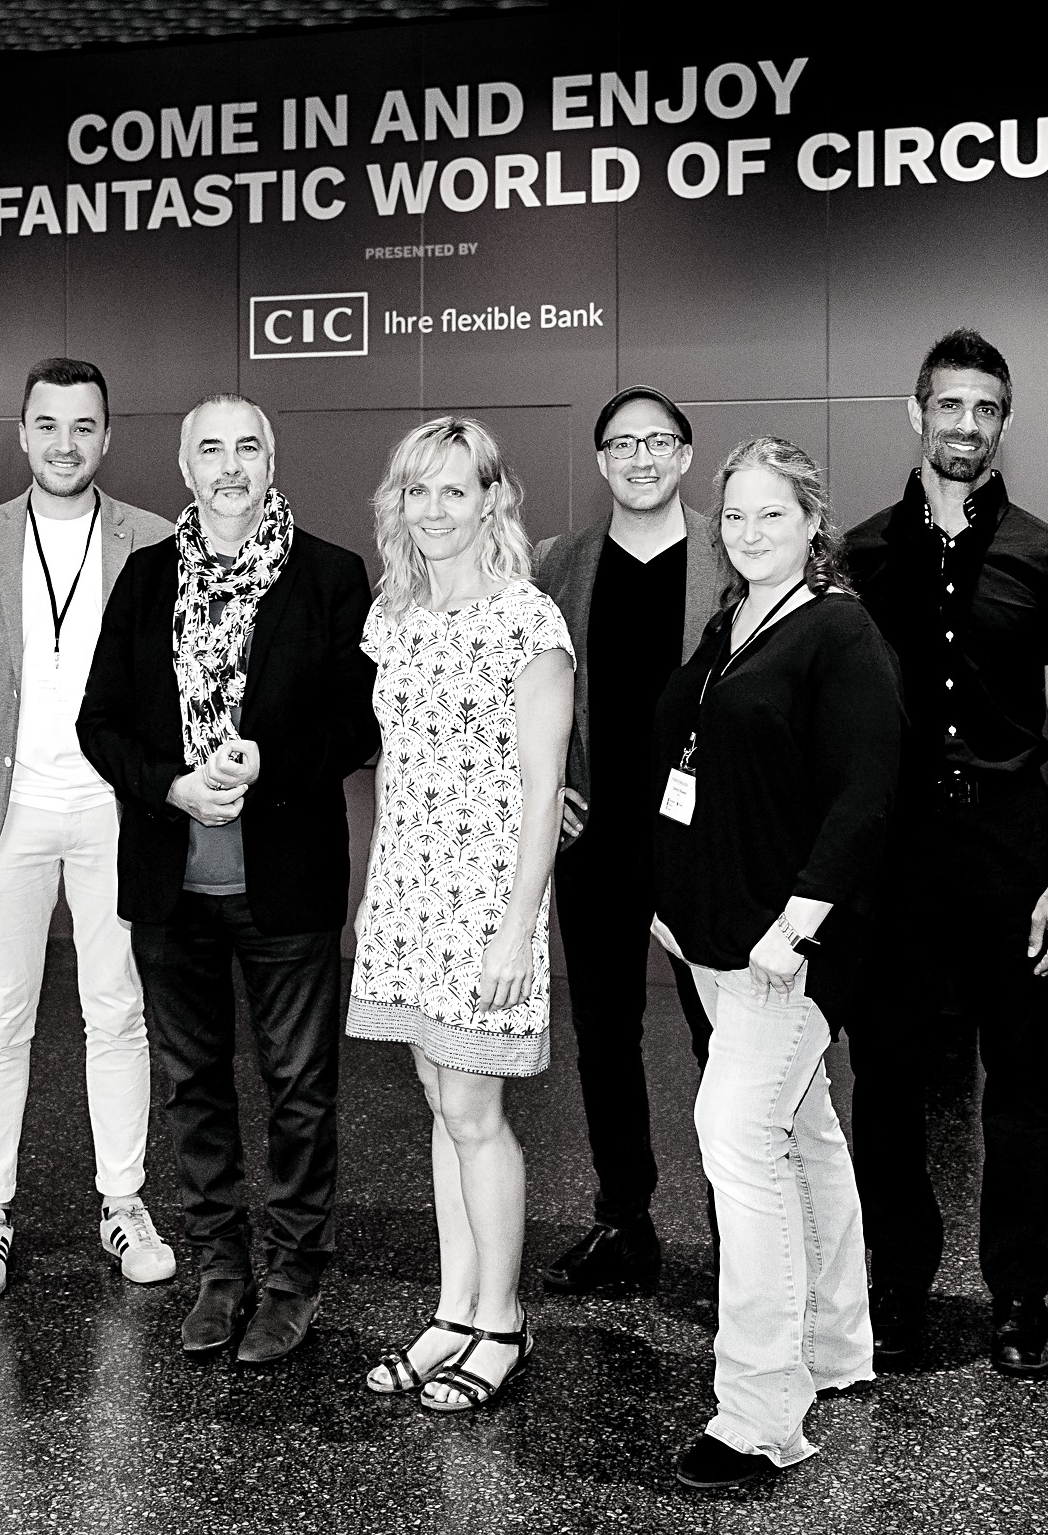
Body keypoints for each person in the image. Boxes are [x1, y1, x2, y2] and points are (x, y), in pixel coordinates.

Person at [76, 393, 378, 1364]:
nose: (231, 465)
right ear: (186, 466)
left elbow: (357, 724)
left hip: (286, 881)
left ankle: (294, 1275)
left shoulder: (329, 575)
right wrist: (170, 786)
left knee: (300, 1090)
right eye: (211, 449)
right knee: (193, 1086)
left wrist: (267, 765)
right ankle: (221, 1267)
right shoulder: (145, 576)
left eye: (248, 446)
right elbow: (98, 723)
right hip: (171, 883)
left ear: (272, 460)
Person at [846, 328, 1048, 1378]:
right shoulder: (856, 557)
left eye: (986, 408)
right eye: (949, 405)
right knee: (886, 1078)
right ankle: (897, 1285)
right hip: (893, 860)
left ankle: (1021, 1296)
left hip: (1010, 852)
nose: (966, 424)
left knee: (1022, 1081)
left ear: (1004, 422)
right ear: (917, 413)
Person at [650, 437, 899, 1488]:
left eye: (774, 515)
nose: (751, 533)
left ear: (813, 523)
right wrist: (670, 903)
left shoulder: (840, 631)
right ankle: (840, 1347)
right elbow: (694, 767)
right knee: (805, 1132)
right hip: (714, 934)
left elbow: (867, 795)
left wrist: (795, 928)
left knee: (736, 1137)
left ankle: (759, 1416)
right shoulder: (732, 622)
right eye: (737, 516)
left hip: (787, 949)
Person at [0, 358, 175, 1303]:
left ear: (107, 437)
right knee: (0, 1016)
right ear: (22, 434)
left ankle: (124, 1203)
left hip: (115, 812)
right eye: (47, 425)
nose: (64, 444)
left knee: (118, 1010)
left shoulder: (156, 540)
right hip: (9, 815)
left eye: (83, 427)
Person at [349, 418, 573, 1412]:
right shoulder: (391, 616)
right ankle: (452, 1311)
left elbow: (544, 789)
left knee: (477, 1113)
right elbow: (397, 766)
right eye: (418, 490)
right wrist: (378, 894)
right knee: (442, 1105)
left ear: (492, 501)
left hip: (486, 902)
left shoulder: (528, 623)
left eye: (455, 490)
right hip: (408, 896)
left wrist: (519, 927)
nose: (434, 509)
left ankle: (501, 1322)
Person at [533, 386, 721, 1295]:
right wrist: (545, 790)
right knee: (604, 1038)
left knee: (722, 1043)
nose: (641, 458)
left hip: (705, 844)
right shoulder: (558, 563)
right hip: (597, 840)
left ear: (685, 454)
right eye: (622, 444)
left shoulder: (734, 552)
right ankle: (624, 1221)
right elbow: (516, 688)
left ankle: (740, 1235)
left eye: (658, 441)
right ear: (601, 461)